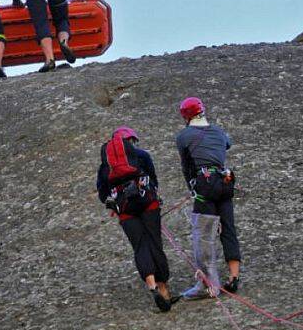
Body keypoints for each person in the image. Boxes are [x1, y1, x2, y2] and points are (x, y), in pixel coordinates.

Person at [96, 126, 176, 312]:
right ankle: (164, 288)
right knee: (155, 242)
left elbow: (102, 194)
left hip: (125, 209)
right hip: (148, 204)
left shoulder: (105, 166)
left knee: (140, 246)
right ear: (131, 140)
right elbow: (154, 180)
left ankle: (151, 285)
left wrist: (114, 201)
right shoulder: (142, 156)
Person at [175, 97, 241, 300]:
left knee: (204, 233)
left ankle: (208, 285)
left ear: (186, 116)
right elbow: (227, 145)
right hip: (224, 180)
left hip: (204, 184)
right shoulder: (219, 132)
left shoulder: (184, 136)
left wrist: (192, 188)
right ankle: (234, 277)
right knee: (228, 227)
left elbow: (186, 165)